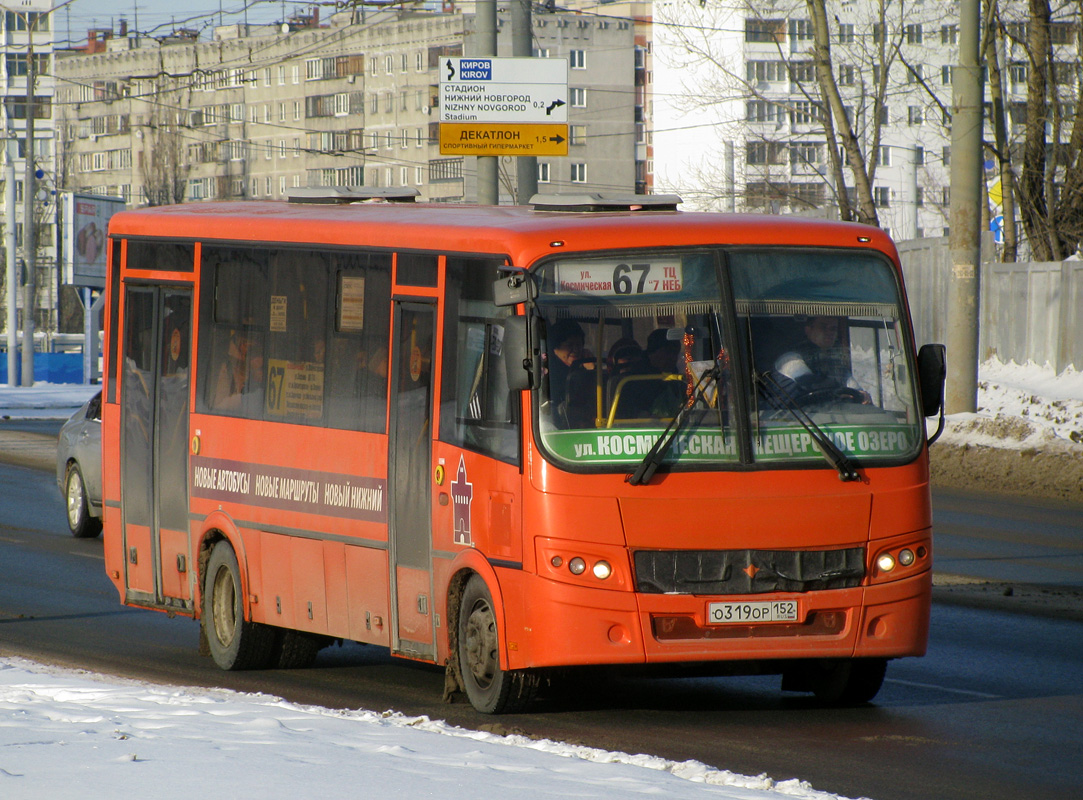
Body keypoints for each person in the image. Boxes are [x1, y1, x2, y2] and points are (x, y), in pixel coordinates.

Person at [773, 316, 868, 403]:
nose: (829, 332)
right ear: (808, 330)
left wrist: (861, 396)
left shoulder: (834, 362)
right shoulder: (790, 358)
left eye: (833, 329)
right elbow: (810, 383)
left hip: (831, 415)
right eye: (823, 327)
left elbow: (853, 386)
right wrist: (838, 393)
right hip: (795, 418)